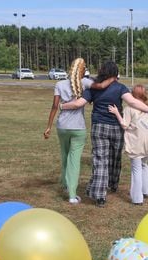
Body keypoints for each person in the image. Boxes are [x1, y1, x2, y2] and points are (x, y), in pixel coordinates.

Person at [60, 61, 148, 207]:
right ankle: (112, 184)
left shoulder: (94, 88)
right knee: (114, 158)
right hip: (116, 128)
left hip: (99, 127)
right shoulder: (120, 88)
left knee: (100, 160)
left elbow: (78, 104)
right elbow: (133, 102)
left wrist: (62, 105)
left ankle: (100, 195)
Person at [43, 58, 113, 205]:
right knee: (74, 161)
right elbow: (100, 86)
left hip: (62, 126)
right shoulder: (85, 82)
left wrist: (48, 126)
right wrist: (113, 77)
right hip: (78, 127)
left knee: (65, 156)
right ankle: (72, 195)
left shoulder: (59, 84)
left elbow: (55, 106)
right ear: (82, 70)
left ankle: (65, 185)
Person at [108, 85, 148, 205]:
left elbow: (124, 124)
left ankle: (137, 198)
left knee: (136, 169)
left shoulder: (129, 109)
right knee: (144, 165)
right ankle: (146, 191)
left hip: (136, 142)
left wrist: (117, 112)